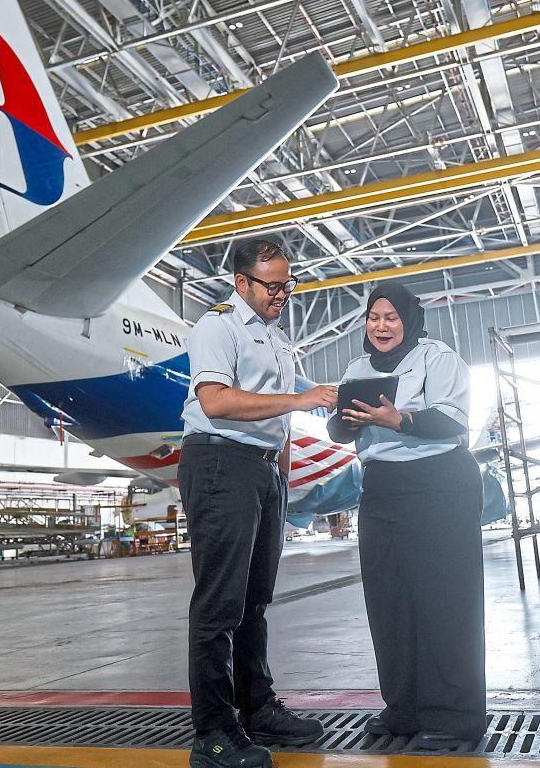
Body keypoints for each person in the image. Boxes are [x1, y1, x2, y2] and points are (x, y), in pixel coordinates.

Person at [180, 236, 338, 768]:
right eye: (271, 285)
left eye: (287, 283)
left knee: (255, 601)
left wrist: (284, 478)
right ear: (241, 282)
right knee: (219, 603)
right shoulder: (216, 326)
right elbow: (216, 401)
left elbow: (277, 426)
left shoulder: (275, 338)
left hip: (262, 471)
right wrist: (302, 399)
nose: (282, 293)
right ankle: (213, 733)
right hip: (220, 461)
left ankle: (256, 707)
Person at [327, 281, 486, 749]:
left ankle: (455, 716)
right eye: (374, 317)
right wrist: (348, 419)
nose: (381, 325)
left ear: (408, 320)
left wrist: (399, 420)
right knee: (389, 603)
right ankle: (405, 708)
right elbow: (339, 430)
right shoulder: (357, 368)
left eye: (391, 317)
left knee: (445, 602)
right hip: (382, 489)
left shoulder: (437, 357)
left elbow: (455, 420)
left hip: (440, 484)